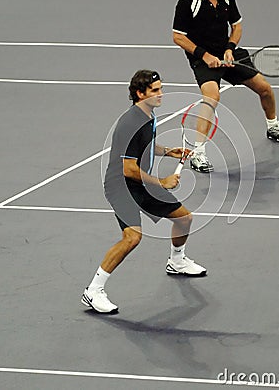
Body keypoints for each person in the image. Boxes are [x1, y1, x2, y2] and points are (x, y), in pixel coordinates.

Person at [81, 70, 207, 314]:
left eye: (161, 88)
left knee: (184, 218)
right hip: (121, 186)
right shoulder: (131, 122)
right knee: (132, 237)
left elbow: (146, 146)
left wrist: (169, 151)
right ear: (140, 94)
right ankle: (93, 291)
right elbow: (129, 170)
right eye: (155, 91)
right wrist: (162, 181)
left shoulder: (148, 115)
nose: (161, 94)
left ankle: (177, 261)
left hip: (140, 183)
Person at [173, 0, 279, 173]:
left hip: (227, 53)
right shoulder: (187, 3)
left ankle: (273, 126)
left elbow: (237, 26)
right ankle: (198, 153)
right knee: (211, 98)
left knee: (264, 89)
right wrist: (205, 55)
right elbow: (178, 37)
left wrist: (229, 49)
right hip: (202, 58)